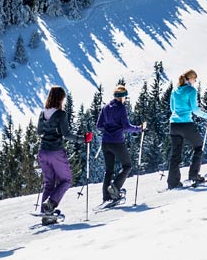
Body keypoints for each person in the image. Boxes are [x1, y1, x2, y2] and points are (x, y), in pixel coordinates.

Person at [36, 86, 87, 225]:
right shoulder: (61, 114)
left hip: (42, 152)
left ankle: (46, 215)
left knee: (49, 183)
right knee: (66, 180)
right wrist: (83, 139)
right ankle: (51, 204)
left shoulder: (42, 113)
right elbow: (67, 134)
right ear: (60, 99)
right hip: (55, 151)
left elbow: (39, 132)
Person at [95, 85, 145, 202]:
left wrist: (109, 127)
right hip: (117, 142)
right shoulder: (121, 108)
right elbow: (127, 127)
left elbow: (99, 126)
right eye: (125, 97)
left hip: (106, 142)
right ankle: (115, 188)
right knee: (127, 166)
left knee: (109, 170)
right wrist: (140, 128)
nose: (125, 99)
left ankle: (106, 197)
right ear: (122, 97)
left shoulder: (106, 107)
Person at [168, 70, 207, 188]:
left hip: (174, 125)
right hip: (186, 124)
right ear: (190, 79)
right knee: (198, 147)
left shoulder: (174, 90)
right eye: (195, 79)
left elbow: (172, 108)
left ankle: (172, 183)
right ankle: (194, 175)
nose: (195, 82)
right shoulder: (191, 90)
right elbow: (195, 110)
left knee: (175, 154)